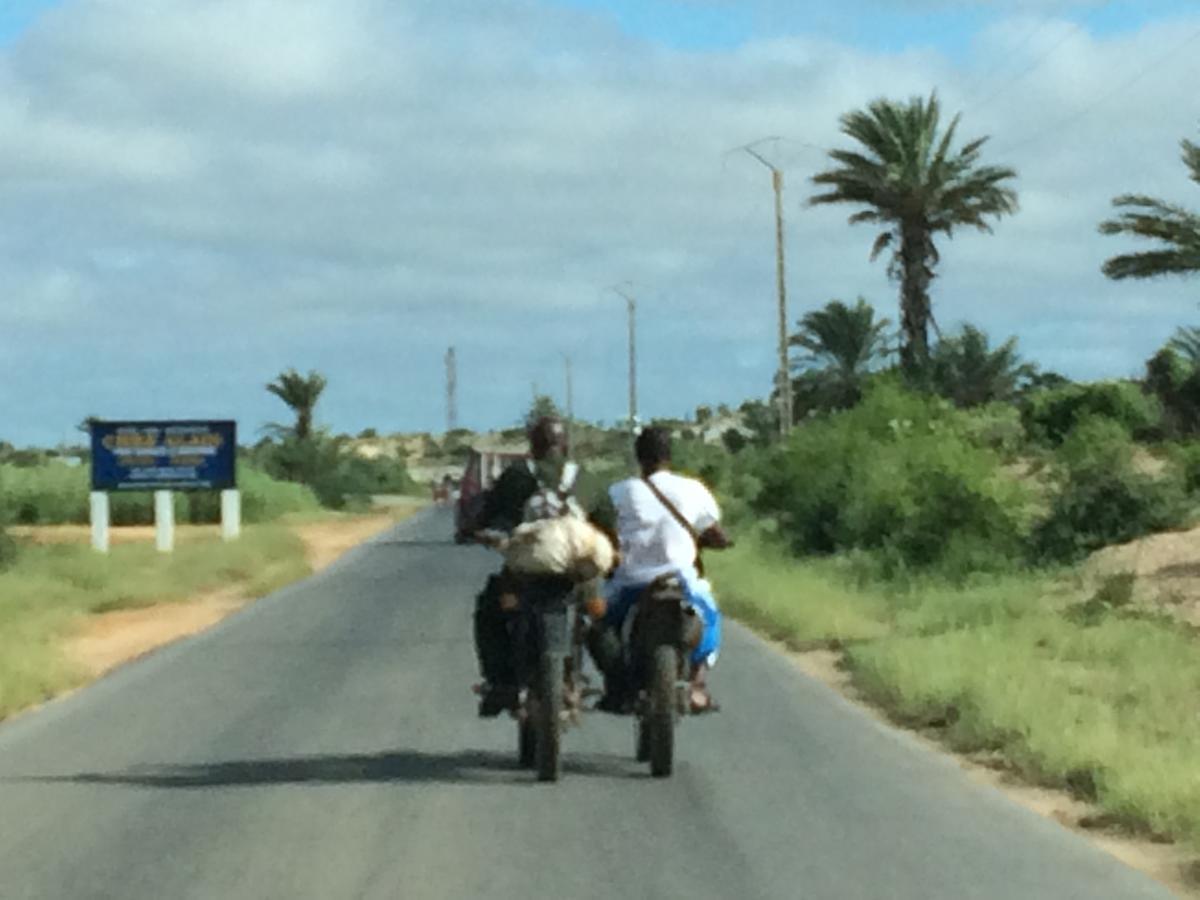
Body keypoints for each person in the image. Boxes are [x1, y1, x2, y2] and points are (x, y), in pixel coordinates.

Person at [588, 426, 730, 713]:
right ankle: (698, 684)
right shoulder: (693, 489)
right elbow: (714, 532)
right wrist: (719, 541)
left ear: (638, 457)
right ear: (669, 455)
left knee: (598, 626)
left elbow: (598, 529)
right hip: (681, 582)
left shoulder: (619, 492)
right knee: (710, 617)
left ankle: (618, 688)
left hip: (630, 584)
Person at [469, 416, 582, 716]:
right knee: (600, 617)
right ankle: (618, 684)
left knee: (490, 611)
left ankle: (499, 682)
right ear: (565, 445)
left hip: (523, 572)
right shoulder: (585, 478)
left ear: (532, 446)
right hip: (576, 574)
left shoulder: (515, 475)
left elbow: (484, 517)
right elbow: (608, 526)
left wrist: (480, 531)